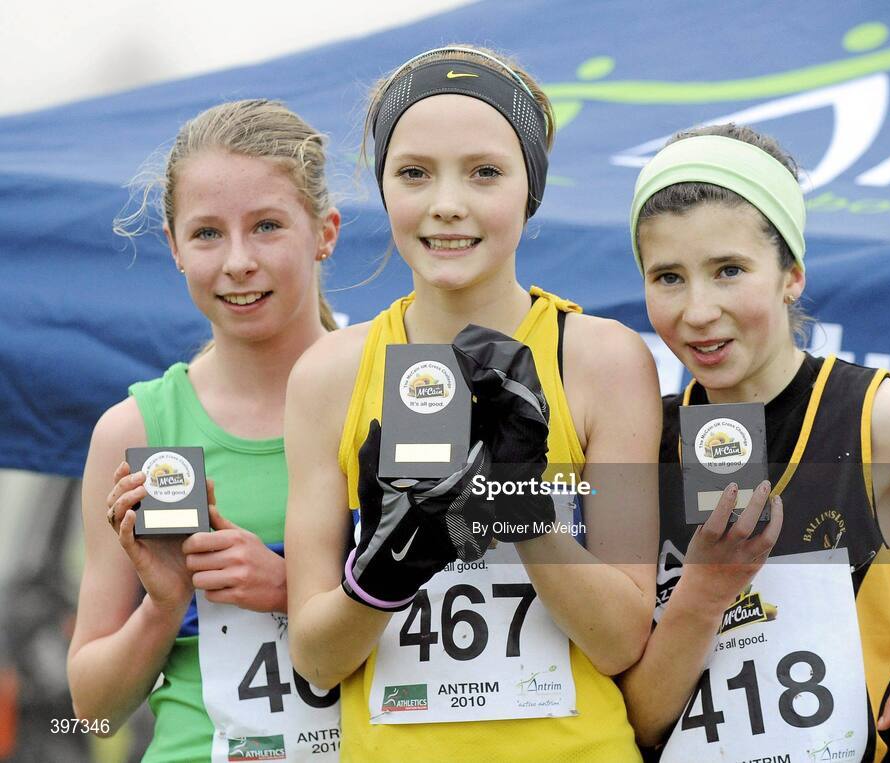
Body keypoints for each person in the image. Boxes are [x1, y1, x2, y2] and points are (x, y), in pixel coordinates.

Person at [284, 45, 661, 762]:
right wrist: (387, 568)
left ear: (530, 187)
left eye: (485, 171)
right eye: (414, 173)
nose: (447, 204)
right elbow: (316, 660)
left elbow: (620, 641)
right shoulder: (329, 374)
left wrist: (520, 512)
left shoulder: (602, 359)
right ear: (384, 188)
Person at [619, 124, 890, 762]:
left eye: (729, 270)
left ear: (792, 275)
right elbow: (642, 724)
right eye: (668, 277)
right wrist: (702, 594)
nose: (697, 311)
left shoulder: (880, 421)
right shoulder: (644, 440)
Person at [68, 99, 344, 762]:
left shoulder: (395, 396)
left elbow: (461, 643)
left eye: (268, 225)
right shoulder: (144, 430)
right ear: (173, 245)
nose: (238, 261)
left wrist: (289, 588)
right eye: (208, 233)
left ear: (325, 232)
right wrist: (163, 606)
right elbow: (92, 713)